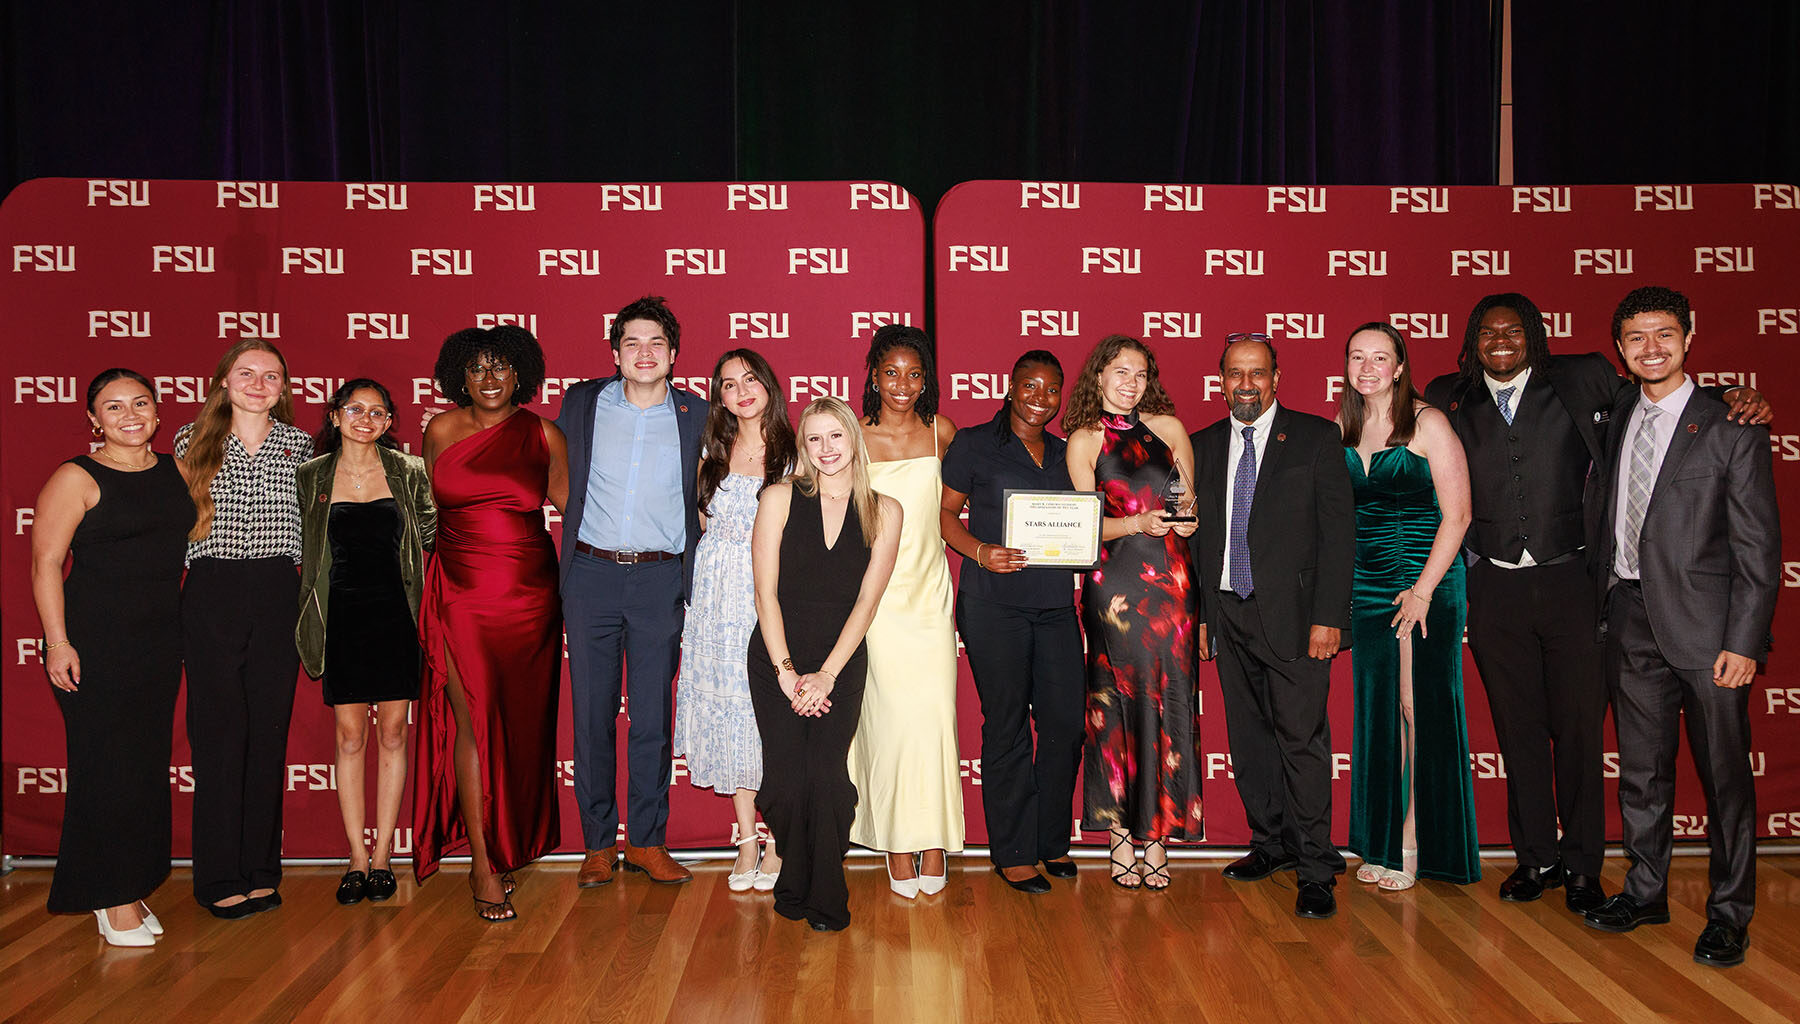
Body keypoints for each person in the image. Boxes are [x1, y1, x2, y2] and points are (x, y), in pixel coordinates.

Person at [1422, 293, 1771, 913]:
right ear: (1471, 341)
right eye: (1487, 333)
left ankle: (1584, 865)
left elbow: (1667, 395)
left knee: (1582, 731)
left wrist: (1732, 398)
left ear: (1535, 334)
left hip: (1575, 587)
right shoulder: (1449, 393)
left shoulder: (1581, 377)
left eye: (1513, 331)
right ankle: (1537, 859)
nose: (1501, 341)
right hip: (1495, 587)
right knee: (1518, 730)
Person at [1582, 286, 1780, 969]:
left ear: (1689, 334)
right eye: (1637, 338)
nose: (1652, 348)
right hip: (1629, 615)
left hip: (1710, 633)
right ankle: (1645, 890)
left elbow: (1759, 547)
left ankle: (1729, 914)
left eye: (1664, 333)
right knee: (1641, 771)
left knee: (1725, 779)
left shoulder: (1731, 423)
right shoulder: (1614, 416)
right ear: (1620, 349)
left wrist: (1744, 642)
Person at [1190, 333, 1354, 919]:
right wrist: (1205, 617)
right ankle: (1271, 843)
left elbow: (1339, 536)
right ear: (1222, 380)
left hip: (1296, 618)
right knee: (1250, 740)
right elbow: (1202, 541)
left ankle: (1316, 865)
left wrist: (1328, 617)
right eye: (1235, 374)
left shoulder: (1315, 437)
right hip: (1229, 613)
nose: (1246, 385)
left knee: (1302, 743)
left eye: (1257, 373)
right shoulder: (1202, 445)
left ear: (1276, 378)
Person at [31, 369, 195, 947]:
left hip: (157, 642)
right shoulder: (76, 476)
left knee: (143, 768)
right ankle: (109, 896)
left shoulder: (178, 472)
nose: (130, 415)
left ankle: (132, 882)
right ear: (93, 419)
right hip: (93, 641)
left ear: (157, 412)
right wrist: (57, 641)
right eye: (114, 406)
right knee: (106, 767)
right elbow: (46, 563)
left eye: (141, 403)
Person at [416, 326, 569, 922]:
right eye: (477, 369)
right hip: (460, 596)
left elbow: (574, 509)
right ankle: (483, 863)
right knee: (473, 723)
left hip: (530, 599)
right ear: (461, 375)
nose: (488, 379)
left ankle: (513, 842)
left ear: (521, 375)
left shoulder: (544, 433)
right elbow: (426, 509)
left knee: (521, 728)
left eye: (501, 368)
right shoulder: (440, 431)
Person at [555, 295, 708, 887]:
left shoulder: (696, 414)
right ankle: (597, 844)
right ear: (615, 351)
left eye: (656, 344)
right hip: (590, 576)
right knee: (591, 715)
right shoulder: (582, 402)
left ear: (672, 354)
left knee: (651, 716)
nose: (644, 353)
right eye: (632, 342)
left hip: (659, 579)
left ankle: (647, 840)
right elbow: (555, 472)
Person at [748, 397, 902, 931]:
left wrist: (827, 673)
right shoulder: (779, 498)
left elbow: (867, 603)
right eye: (813, 439)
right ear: (802, 446)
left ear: (853, 438)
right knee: (786, 786)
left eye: (835, 436)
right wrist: (788, 672)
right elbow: (765, 596)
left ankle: (823, 895)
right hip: (777, 656)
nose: (826, 449)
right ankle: (795, 879)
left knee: (828, 782)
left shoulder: (885, 509)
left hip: (840, 658)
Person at [175, 339, 313, 918]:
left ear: (284, 387)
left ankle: (260, 868)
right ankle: (215, 876)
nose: (259, 383)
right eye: (247, 373)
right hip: (212, 589)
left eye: (272, 375)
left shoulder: (303, 447)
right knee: (218, 736)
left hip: (279, 590)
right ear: (223, 381)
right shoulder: (191, 442)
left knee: (267, 735)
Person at [1339, 323, 1477, 892]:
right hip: (1367, 587)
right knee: (1379, 711)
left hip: (1426, 584)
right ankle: (1381, 837)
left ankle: (1415, 836)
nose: (1367, 366)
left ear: (1400, 367)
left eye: (1380, 357)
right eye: (1356, 356)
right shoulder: (1344, 427)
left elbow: (1459, 514)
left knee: (1417, 705)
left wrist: (1421, 592)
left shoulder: (1428, 422)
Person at [940, 350, 1084, 895]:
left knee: (1065, 725)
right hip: (993, 603)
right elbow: (945, 514)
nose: (1040, 397)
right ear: (1010, 385)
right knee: (1006, 724)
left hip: (1053, 607)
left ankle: (1051, 842)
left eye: (1051, 389)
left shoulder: (1069, 454)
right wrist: (979, 551)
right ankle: (1014, 851)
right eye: (1030, 385)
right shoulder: (974, 444)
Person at [1064, 334, 1200, 891]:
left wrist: (1185, 520)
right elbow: (1080, 526)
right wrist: (1135, 525)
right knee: (1115, 705)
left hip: (1172, 584)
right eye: (1120, 372)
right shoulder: (1084, 440)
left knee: (1170, 702)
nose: (1130, 383)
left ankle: (1159, 838)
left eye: (1140, 374)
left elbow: (1186, 503)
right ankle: (1122, 839)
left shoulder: (1168, 429)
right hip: (1113, 584)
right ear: (1098, 376)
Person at [296, 379, 435, 907]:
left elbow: (432, 535)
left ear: (389, 421)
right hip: (341, 619)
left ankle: (383, 860)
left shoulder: (410, 471)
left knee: (395, 733)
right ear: (335, 415)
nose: (366, 418)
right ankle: (355, 855)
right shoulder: (310, 476)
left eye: (378, 412)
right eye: (355, 409)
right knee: (350, 737)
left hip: (397, 616)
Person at [847, 325, 966, 897]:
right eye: (891, 373)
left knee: (935, 720)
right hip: (877, 601)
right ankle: (897, 842)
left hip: (930, 596)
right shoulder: (852, 436)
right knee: (891, 725)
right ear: (873, 375)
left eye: (914, 374)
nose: (902, 384)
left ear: (927, 381)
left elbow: (952, 516)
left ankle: (935, 840)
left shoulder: (943, 433)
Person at [673, 349, 795, 893]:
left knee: (769, 716)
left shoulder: (797, 450)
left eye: (750, 379)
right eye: (728, 384)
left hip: (770, 596)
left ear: (768, 384)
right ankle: (746, 840)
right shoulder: (713, 449)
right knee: (732, 711)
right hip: (716, 599)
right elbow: (704, 521)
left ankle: (779, 841)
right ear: (718, 396)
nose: (741, 390)